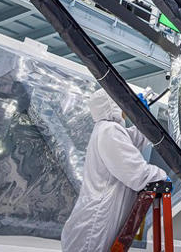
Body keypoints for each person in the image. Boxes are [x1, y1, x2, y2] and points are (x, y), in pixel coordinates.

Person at [61, 89, 167, 252]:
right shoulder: (109, 131)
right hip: (96, 222)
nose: (125, 108)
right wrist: (160, 176)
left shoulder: (106, 129)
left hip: (95, 215)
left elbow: (133, 141)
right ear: (113, 106)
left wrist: (143, 118)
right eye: (122, 103)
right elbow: (135, 172)